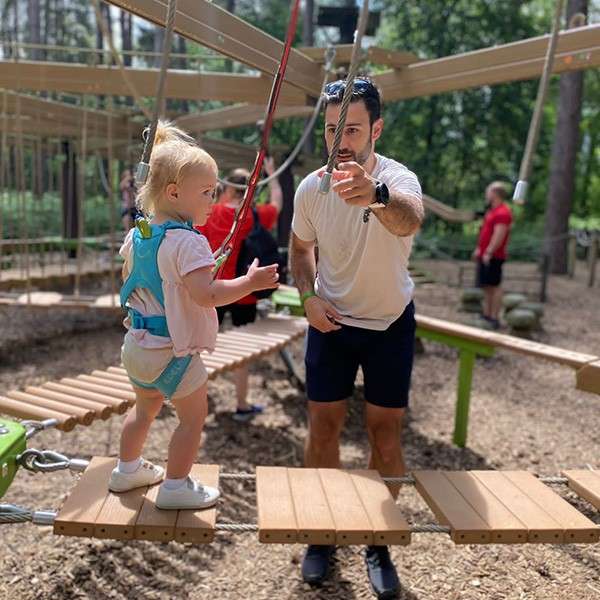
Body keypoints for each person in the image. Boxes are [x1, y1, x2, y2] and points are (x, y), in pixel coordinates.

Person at [289, 77, 424, 598]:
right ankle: (322, 534)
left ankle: (378, 538)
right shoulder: (309, 188)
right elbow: (300, 251)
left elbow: (409, 220)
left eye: (351, 129)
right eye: (330, 129)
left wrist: (377, 196)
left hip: (389, 323)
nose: (340, 141)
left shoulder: (397, 178)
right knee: (322, 429)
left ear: (376, 130)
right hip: (333, 322)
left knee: (384, 436)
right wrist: (307, 296)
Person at [109, 121, 279, 509]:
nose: (213, 198)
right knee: (192, 419)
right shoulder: (189, 242)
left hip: (137, 346)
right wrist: (249, 283)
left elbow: (133, 278)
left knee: (144, 410)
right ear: (173, 192)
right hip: (174, 352)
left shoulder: (139, 234)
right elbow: (208, 295)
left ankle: (126, 470)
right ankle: (175, 486)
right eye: (206, 192)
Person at [198, 157, 283, 422]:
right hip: (246, 291)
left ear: (228, 189)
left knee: (200, 345)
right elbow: (278, 203)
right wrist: (272, 174)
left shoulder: (211, 213)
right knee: (242, 352)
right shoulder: (254, 215)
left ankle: (197, 400)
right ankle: (242, 404)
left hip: (214, 290)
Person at [472, 181, 513, 329]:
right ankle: (487, 313)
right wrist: (479, 249)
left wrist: (489, 251)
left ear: (495, 193)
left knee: (495, 286)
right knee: (487, 286)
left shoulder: (503, 212)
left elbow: (499, 235)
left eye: (488, 192)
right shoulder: (492, 211)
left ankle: (495, 317)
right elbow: (485, 233)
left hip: (494, 256)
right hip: (485, 254)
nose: (486, 194)